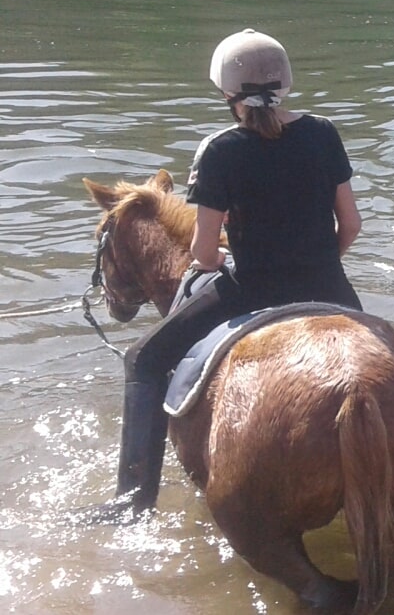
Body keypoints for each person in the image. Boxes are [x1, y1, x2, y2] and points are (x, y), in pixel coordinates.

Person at [91, 28, 362, 520]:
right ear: (286, 83)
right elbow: (352, 224)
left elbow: (204, 251)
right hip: (330, 286)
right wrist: (322, 262)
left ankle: (132, 502)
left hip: (251, 290)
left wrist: (213, 261)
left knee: (143, 361)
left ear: (226, 93)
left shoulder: (219, 149)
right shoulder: (323, 131)